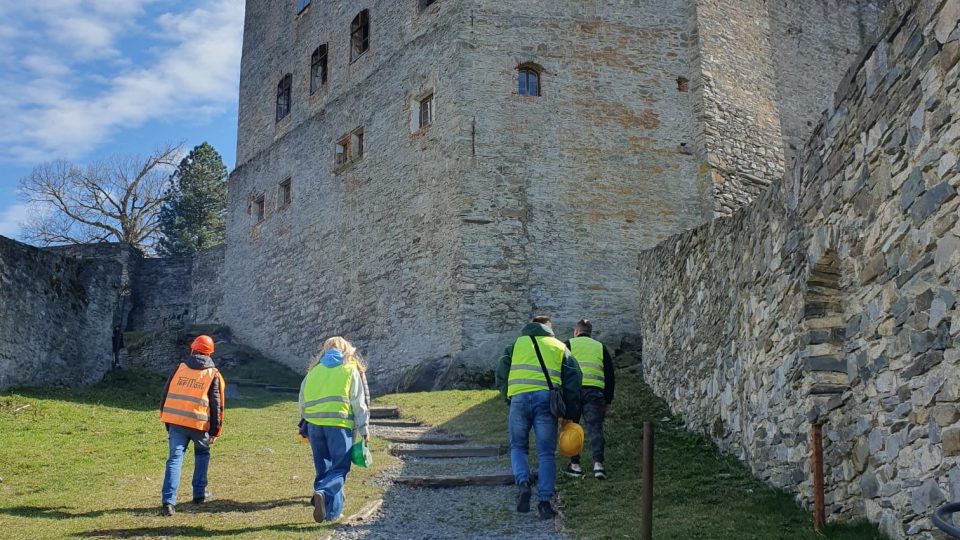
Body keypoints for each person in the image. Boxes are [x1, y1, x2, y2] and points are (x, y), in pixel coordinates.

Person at [495, 315, 581, 520]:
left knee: (518, 446)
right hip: (546, 400)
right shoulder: (559, 346)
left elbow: (500, 371)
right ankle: (544, 503)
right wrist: (568, 412)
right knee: (546, 453)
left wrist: (509, 394)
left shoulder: (515, 345)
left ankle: (523, 483)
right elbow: (574, 378)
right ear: (548, 328)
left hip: (519, 399)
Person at [299, 336, 370, 523]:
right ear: (347, 349)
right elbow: (358, 402)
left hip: (315, 426)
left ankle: (331, 512)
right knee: (340, 468)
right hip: (339, 425)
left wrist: (307, 421)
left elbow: (302, 402)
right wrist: (364, 428)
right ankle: (323, 492)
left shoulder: (313, 372)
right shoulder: (349, 369)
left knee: (323, 467)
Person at [158, 335, 225, 517]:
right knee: (202, 454)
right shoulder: (213, 374)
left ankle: (168, 502)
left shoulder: (180, 368)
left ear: (193, 349)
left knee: (174, 460)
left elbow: (166, 392)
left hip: (176, 422)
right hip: (198, 423)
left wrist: (166, 418)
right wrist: (215, 430)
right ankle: (199, 494)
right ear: (210, 352)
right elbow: (216, 405)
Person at [563, 319, 616, 480]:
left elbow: (561, 370)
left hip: (573, 393)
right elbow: (610, 375)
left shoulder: (568, 345)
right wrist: (608, 400)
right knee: (595, 429)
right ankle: (598, 465)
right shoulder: (599, 347)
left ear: (576, 332)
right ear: (590, 333)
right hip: (595, 393)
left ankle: (575, 466)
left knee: (572, 428)